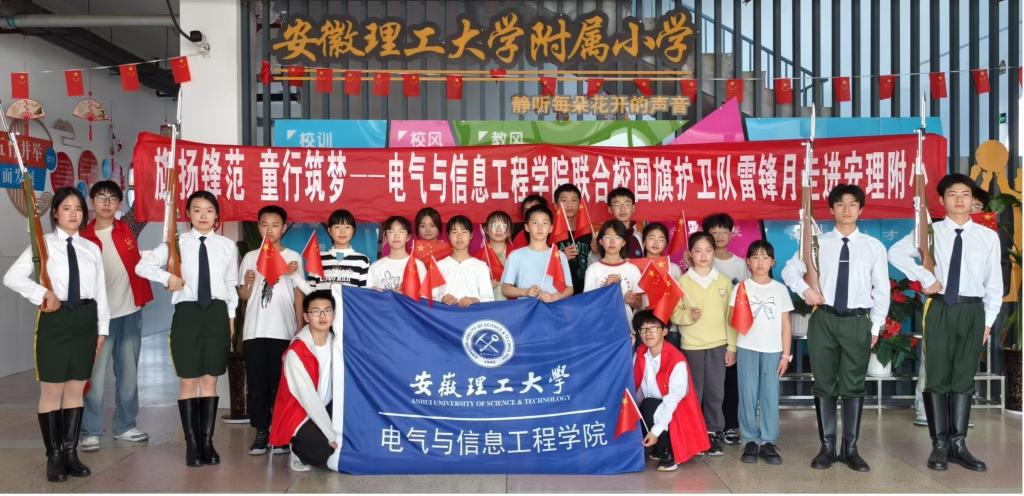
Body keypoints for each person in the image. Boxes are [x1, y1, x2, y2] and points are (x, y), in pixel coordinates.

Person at [889, 173, 1001, 473]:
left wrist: (988, 321)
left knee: (964, 376)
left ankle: (959, 444)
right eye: (952, 194)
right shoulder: (930, 232)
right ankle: (939, 444)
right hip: (939, 308)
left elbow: (994, 283)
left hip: (973, 311)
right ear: (941, 200)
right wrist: (926, 277)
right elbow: (895, 253)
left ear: (973, 199)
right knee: (937, 375)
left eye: (965, 194)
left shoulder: (987, 236)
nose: (960, 199)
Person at [781, 184, 889, 472]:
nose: (846, 209)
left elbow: (882, 289)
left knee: (854, 385)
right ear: (831, 209)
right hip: (824, 319)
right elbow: (789, 270)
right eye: (840, 204)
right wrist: (805, 290)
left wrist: (876, 326)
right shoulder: (816, 243)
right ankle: (827, 448)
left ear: (861, 210)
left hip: (857, 321)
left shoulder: (873, 247)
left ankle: (850, 449)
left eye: (852, 204)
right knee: (825, 383)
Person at [4, 187, 109, 482]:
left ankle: (70, 454)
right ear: (55, 213)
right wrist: (42, 293)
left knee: (75, 390)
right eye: (66, 208)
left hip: (85, 321)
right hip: (55, 321)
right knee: (52, 392)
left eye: (78, 208)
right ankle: (54, 457)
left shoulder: (92, 248)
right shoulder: (42, 244)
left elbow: (100, 291)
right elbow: (11, 277)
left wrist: (102, 329)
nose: (73, 214)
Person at [136, 190, 238, 467]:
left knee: (210, 380)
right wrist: (167, 278)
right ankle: (192, 445)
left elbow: (231, 284)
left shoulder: (227, 246)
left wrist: (230, 318)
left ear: (217, 216)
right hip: (188, 314)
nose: (203, 215)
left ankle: (207, 442)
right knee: (188, 380)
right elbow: (142, 266)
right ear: (188, 214)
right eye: (197, 210)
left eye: (209, 210)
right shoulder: (176, 243)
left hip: (217, 313)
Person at [78, 181, 154, 452]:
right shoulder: (81, 235)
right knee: (95, 378)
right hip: (98, 318)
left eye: (112, 198)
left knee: (128, 374)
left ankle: (125, 426)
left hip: (129, 312)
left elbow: (146, 203)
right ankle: (90, 430)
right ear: (92, 201)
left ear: (120, 204)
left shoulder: (128, 227)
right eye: (101, 197)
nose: (107, 202)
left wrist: (152, 169)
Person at [237, 206, 305, 456]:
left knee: (281, 385)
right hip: (255, 330)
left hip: (283, 330)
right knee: (258, 384)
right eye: (264, 225)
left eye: (275, 225)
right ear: (258, 226)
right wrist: (247, 284)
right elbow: (244, 295)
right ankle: (261, 432)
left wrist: (299, 328)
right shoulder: (250, 257)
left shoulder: (293, 257)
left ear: (284, 227)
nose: (270, 230)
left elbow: (298, 294)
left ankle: (281, 433)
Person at [670, 231, 736, 456]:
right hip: (692, 346)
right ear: (690, 254)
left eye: (708, 250)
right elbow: (674, 314)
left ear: (714, 253)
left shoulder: (724, 282)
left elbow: (731, 318)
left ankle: (713, 433)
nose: (703, 255)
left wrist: (731, 347)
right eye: (698, 251)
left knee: (716, 392)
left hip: (718, 345)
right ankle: (694, 434)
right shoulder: (682, 282)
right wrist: (688, 315)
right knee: (693, 393)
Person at [730, 240, 793, 465]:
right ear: (748, 261)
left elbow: (786, 324)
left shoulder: (780, 289)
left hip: (773, 350)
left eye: (765, 257)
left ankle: (768, 441)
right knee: (746, 396)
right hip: (747, 347)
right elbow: (732, 320)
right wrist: (731, 348)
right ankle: (749, 439)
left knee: (769, 396)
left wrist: (786, 356)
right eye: (755, 257)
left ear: (772, 262)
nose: (760, 262)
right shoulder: (741, 288)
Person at [269, 290, 341, 472]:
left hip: (325, 407)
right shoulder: (297, 352)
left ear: (334, 315)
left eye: (327, 310)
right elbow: (308, 399)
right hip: (300, 412)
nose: (323, 316)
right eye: (316, 311)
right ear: (306, 317)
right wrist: (331, 435)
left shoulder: (336, 344)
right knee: (319, 454)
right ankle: (296, 448)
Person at [633, 310, 710, 472]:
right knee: (642, 407)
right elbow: (635, 387)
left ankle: (669, 450)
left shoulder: (676, 360)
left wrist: (654, 432)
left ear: (665, 331)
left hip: (676, 412)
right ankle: (660, 445)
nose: (648, 333)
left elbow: (672, 401)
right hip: (653, 407)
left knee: (649, 405)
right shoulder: (641, 353)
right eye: (643, 329)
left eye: (653, 327)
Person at [702, 213, 750, 446]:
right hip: (706, 331)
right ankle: (710, 427)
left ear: (732, 234)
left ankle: (731, 425)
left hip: (733, 331)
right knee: (709, 383)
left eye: (724, 231)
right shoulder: (703, 262)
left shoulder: (741, 265)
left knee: (731, 380)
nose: (719, 236)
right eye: (714, 232)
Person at [501, 205, 574, 303]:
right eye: (535, 223)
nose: (540, 227)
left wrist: (554, 297)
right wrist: (526, 292)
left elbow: (569, 289)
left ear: (551, 228)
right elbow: (505, 289)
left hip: (554, 308)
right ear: (527, 227)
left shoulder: (559, 255)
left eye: (545, 223)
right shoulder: (516, 255)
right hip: (526, 308)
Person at [584, 220, 643, 324]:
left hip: (625, 325)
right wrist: (605, 288)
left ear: (623, 242)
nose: (612, 242)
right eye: (608, 237)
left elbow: (640, 304)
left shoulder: (632, 269)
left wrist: (631, 300)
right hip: (599, 325)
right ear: (601, 241)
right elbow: (587, 303)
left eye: (617, 237)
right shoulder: (593, 269)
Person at [435, 215, 494, 306]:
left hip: (472, 314)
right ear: (448, 236)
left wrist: (475, 300)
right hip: (446, 314)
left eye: (464, 232)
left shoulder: (481, 267)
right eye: (454, 232)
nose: (459, 236)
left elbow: (489, 299)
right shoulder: (439, 265)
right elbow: (429, 297)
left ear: (471, 235)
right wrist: (442, 298)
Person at [641, 222, 683, 349]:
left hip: (669, 327)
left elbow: (679, 298)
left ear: (665, 244)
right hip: (644, 326)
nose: (656, 243)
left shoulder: (673, 268)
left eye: (661, 239)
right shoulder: (634, 267)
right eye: (651, 238)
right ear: (644, 241)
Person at [306, 209, 370, 290]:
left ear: (353, 230)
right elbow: (310, 291)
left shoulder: (362, 260)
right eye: (337, 227)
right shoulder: (317, 259)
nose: (342, 231)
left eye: (347, 227)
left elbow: (364, 293)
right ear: (329, 231)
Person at [552, 183, 593, 295]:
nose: (569, 205)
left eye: (574, 200)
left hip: (585, 292)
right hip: (559, 294)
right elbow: (542, 266)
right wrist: (561, 257)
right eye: (564, 200)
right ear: (555, 206)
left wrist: (596, 251)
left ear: (580, 204)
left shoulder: (588, 233)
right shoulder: (549, 234)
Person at [367, 216, 425, 291]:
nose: (396, 236)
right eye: (391, 232)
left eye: (401, 232)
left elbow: (425, 296)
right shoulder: (375, 267)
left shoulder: (418, 265)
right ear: (385, 237)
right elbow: (368, 295)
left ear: (408, 237)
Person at [476, 210, 514, 301]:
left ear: (509, 231)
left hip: (513, 304)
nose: (499, 230)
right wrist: (486, 286)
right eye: (494, 225)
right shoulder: (477, 257)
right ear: (485, 230)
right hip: (487, 305)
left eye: (503, 226)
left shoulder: (517, 254)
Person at [607, 187, 644, 259]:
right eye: (617, 205)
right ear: (610, 209)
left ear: (633, 208)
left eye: (627, 204)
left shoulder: (640, 235)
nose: (622, 209)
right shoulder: (605, 235)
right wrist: (594, 252)